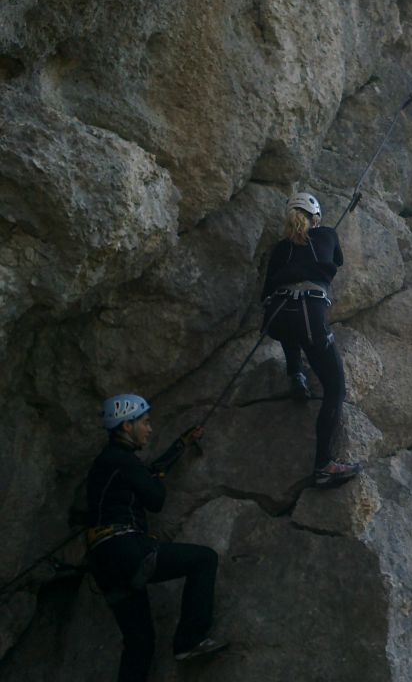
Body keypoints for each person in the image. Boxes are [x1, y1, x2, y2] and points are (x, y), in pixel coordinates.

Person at [86, 393, 227, 682]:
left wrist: (181, 445)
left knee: (140, 643)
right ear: (127, 426)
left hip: (104, 562)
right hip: (126, 548)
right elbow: (154, 498)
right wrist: (161, 473)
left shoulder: (109, 461)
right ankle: (189, 641)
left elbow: (146, 475)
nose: (150, 429)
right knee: (204, 559)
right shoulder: (123, 460)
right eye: (146, 422)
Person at [260, 192, 362, 488]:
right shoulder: (327, 235)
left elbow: (265, 291)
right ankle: (323, 465)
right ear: (316, 216)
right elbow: (337, 261)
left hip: (277, 315)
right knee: (335, 388)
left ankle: (295, 374)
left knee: (291, 332)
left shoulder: (279, 249)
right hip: (310, 311)